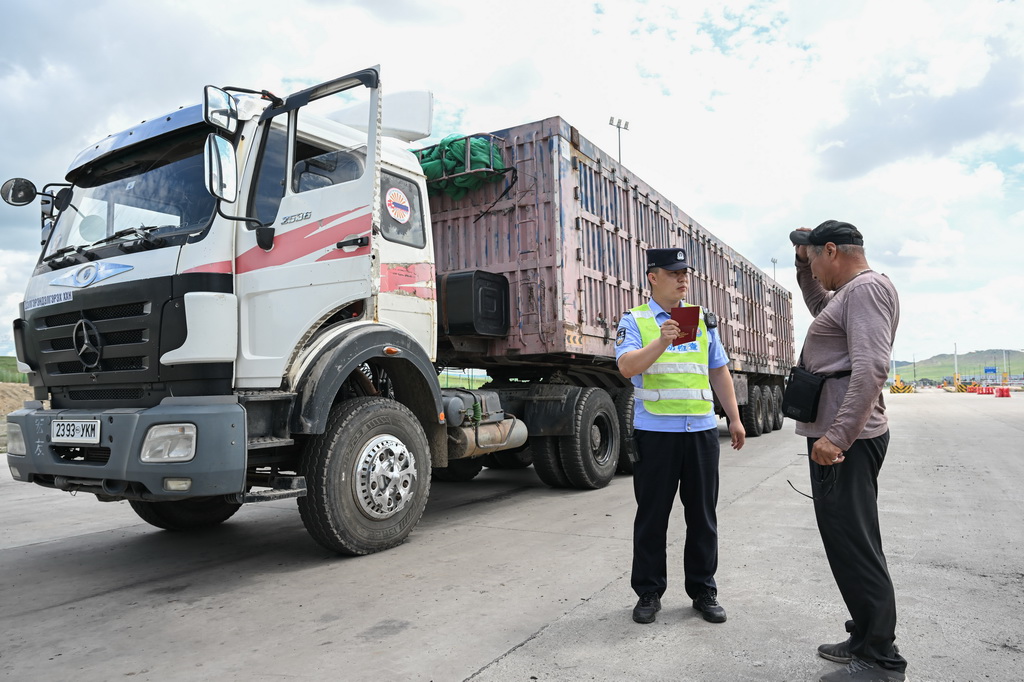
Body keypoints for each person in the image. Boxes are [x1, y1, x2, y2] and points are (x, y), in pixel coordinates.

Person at [790, 221, 907, 682]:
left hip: (848, 444)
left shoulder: (865, 290)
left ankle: (881, 660)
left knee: (855, 547)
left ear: (832, 250)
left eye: (816, 259)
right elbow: (821, 306)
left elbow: (872, 367)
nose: (816, 271)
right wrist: (803, 264)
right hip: (844, 440)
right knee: (848, 543)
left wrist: (837, 436)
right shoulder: (850, 294)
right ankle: (864, 636)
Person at [615, 247, 745, 625]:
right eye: (673, 273)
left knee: (703, 517)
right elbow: (626, 367)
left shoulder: (702, 319)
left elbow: (718, 370)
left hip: (701, 432)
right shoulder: (636, 320)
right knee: (652, 517)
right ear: (653, 277)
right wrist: (661, 341)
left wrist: (734, 419)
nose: (682, 278)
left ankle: (703, 590)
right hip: (656, 433)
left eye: (685, 272)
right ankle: (649, 592)